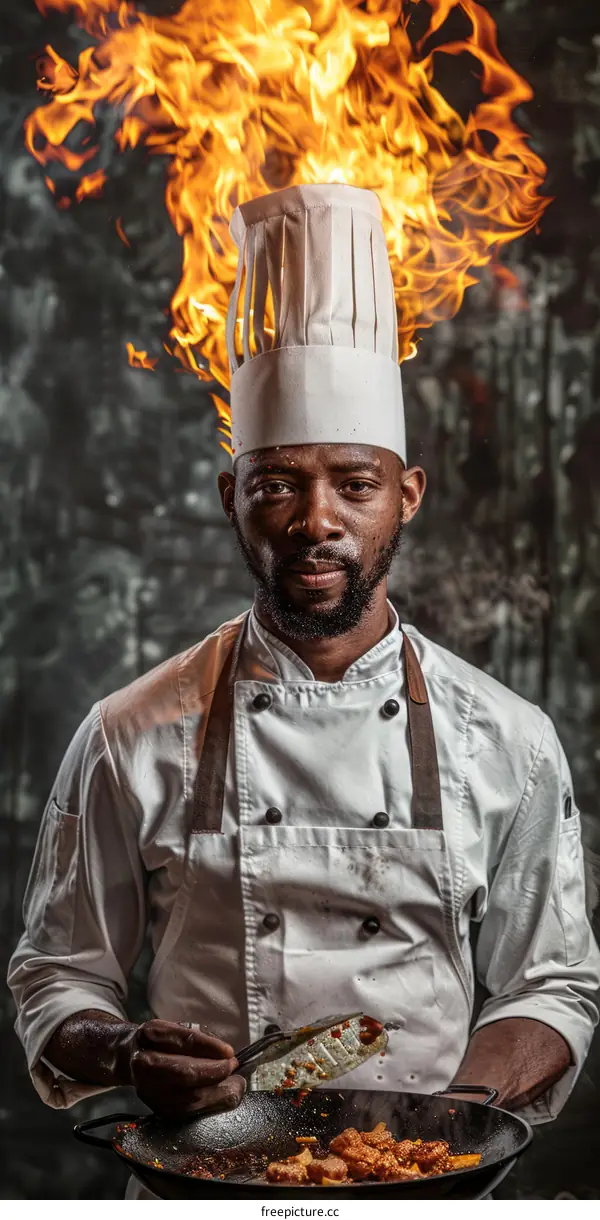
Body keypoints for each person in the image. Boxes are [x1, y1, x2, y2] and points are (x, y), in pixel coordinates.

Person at [8, 184, 600, 1199]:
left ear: (405, 494)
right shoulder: (127, 733)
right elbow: (57, 976)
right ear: (231, 493)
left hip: (432, 1188)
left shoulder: (510, 737)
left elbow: (553, 982)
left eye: (355, 484)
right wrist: (120, 1049)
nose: (314, 518)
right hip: (202, 1192)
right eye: (277, 481)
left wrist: (437, 1128)